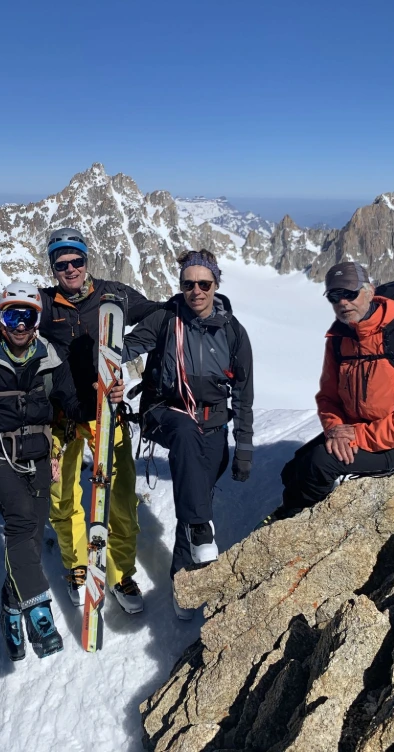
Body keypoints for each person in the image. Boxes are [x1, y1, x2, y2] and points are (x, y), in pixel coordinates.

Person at [0, 227, 161, 614]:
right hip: (60, 415)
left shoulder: (114, 295)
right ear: (52, 268)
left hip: (107, 410)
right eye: (61, 263)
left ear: (87, 261)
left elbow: (157, 314)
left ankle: (120, 574)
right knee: (62, 497)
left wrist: (127, 352)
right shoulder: (47, 304)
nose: (69, 269)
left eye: (76, 261)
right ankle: (78, 568)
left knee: (119, 497)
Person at [0, 281, 124, 660]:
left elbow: (73, 406)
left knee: (28, 534)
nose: (21, 325)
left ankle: (11, 605)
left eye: (28, 316)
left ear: (38, 320)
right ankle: (39, 610)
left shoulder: (51, 359)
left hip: (39, 459)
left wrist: (102, 399)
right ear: (0, 318)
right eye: (13, 315)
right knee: (21, 515)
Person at [122, 249, 254, 620]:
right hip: (164, 414)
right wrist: (99, 348)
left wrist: (242, 450)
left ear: (215, 285)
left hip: (213, 423)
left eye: (204, 283)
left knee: (197, 491)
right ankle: (200, 529)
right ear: (180, 285)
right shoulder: (166, 318)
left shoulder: (232, 331)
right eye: (188, 284)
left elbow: (244, 394)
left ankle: (183, 577)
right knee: (184, 434)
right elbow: (125, 348)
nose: (195, 290)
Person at [274, 261, 394, 515]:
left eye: (350, 293)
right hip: (359, 431)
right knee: (293, 468)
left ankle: (291, 520)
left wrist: (358, 436)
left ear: (369, 291)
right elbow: (328, 398)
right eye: (335, 296)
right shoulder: (340, 339)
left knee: (321, 463)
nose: (343, 302)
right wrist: (335, 430)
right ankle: (291, 510)